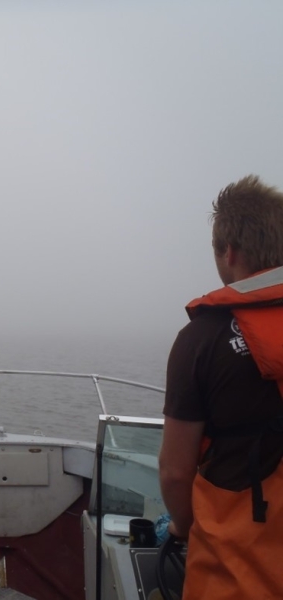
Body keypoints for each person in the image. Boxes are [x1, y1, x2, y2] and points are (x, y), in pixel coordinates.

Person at [158, 174, 283, 599]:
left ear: (229, 252)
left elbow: (175, 472)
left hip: (233, 577)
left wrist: (182, 526)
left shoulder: (201, 339)